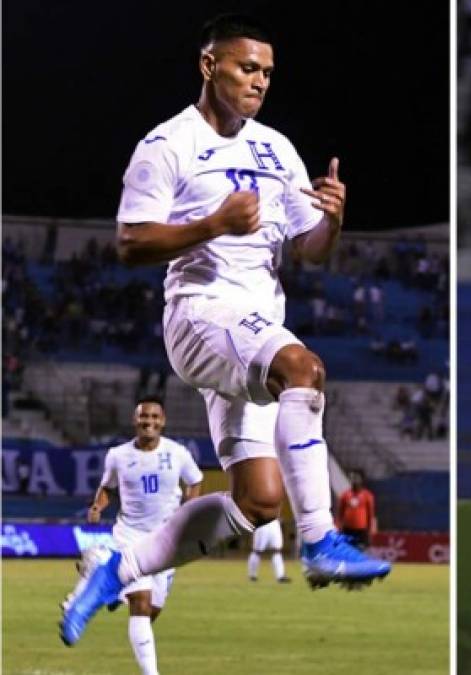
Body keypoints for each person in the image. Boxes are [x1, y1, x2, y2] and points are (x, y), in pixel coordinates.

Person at [60, 13, 390, 648]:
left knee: (258, 503)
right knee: (305, 371)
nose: (259, 81)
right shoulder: (167, 144)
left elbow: (311, 250)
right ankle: (320, 540)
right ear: (209, 66)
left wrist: (334, 219)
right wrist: (211, 224)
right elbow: (130, 243)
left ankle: (114, 572)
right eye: (246, 68)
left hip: (255, 324)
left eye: (267, 71)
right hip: (200, 312)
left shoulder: (277, 148)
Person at [67, 396, 203, 675]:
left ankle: (108, 579)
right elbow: (107, 488)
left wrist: (189, 510)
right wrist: (97, 506)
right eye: (144, 417)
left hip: (166, 541)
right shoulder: (118, 455)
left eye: (154, 417)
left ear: (162, 421)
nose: (148, 422)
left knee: (150, 612)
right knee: (140, 603)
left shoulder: (178, 453)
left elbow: (195, 480)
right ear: (135, 420)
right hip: (130, 536)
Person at [337, 470, 377, 550]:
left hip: (361, 530)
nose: (354, 480)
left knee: (360, 550)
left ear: (361, 479)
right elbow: (340, 513)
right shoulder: (345, 495)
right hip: (347, 529)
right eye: (352, 478)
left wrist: (370, 531)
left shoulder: (367, 495)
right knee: (347, 551)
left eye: (356, 478)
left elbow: (370, 514)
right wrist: (339, 527)